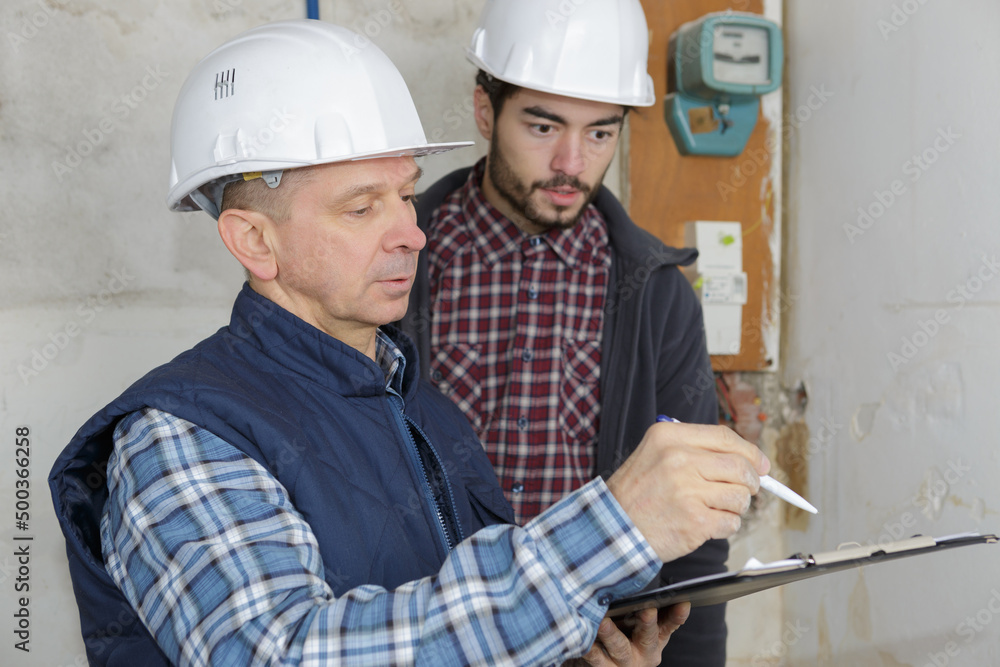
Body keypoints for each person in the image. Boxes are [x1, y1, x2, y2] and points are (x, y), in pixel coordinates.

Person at [49, 19, 768, 667]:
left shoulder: (420, 408)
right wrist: (611, 526)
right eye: (362, 206)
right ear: (254, 240)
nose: (412, 231)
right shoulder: (179, 439)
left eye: (405, 193)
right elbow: (282, 654)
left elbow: (452, 629)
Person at [399, 2, 730, 664]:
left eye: (601, 133)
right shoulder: (393, 268)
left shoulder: (657, 296)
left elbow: (698, 531)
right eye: (544, 125)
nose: (571, 162)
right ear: (486, 111)